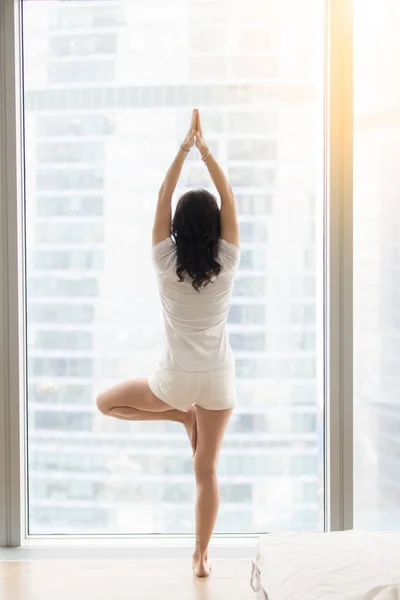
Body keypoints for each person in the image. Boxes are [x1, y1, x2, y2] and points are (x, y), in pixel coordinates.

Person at [96, 109, 240, 577]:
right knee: (207, 472)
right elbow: (229, 195)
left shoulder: (164, 261)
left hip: (174, 381)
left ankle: (178, 414)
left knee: (106, 403)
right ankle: (200, 558)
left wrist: (184, 149)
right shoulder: (228, 261)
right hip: (218, 381)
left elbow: (162, 195)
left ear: (177, 227)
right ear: (217, 228)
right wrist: (208, 152)